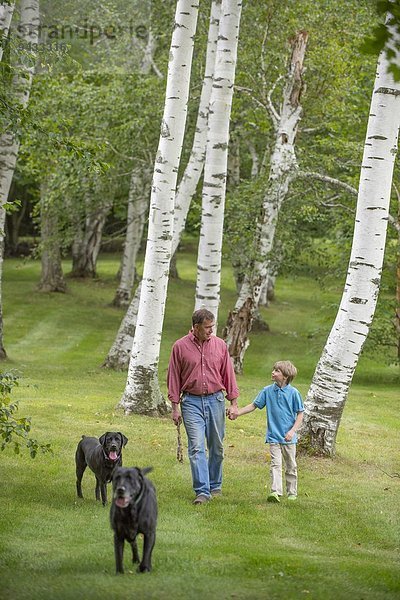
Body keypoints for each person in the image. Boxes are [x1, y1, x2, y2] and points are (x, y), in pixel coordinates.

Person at [167, 308, 239, 505]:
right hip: (190, 402)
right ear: (196, 327)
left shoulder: (220, 346)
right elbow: (173, 377)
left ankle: (215, 485)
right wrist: (175, 407)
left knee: (216, 446)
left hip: (216, 400)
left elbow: (228, 375)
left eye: (212, 327)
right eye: (207, 328)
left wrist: (233, 402)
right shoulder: (180, 347)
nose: (210, 331)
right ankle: (202, 491)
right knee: (197, 447)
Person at [228, 360, 304, 503]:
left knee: (291, 465)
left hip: (289, 437)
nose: (273, 372)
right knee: (275, 464)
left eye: (277, 371)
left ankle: (292, 492)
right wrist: (238, 412)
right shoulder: (267, 391)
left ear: (285, 376)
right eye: (273, 369)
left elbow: (300, 414)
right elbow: (254, 405)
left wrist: (292, 431)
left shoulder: (294, 393)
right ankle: (275, 492)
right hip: (274, 435)